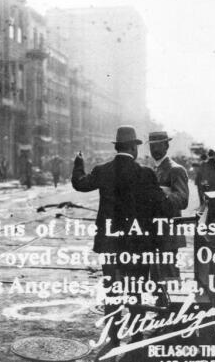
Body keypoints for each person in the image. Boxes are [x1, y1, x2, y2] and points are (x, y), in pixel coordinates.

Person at [72, 126, 167, 352]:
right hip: (137, 244)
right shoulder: (145, 174)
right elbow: (160, 207)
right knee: (135, 290)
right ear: (134, 148)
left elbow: (80, 183)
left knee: (112, 289)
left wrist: (78, 164)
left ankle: (113, 337)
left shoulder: (103, 170)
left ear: (118, 147)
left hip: (111, 244)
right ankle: (135, 338)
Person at [147, 131, 190, 304]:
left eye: (158, 145)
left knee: (169, 273)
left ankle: (174, 313)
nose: (155, 149)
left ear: (166, 146)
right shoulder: (155, 170)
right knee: (157, 273)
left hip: (168, 231)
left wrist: (160, 196)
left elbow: (183, 199)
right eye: (152, 145)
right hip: (156, 232)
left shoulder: (175, 170)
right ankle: (163, 308)